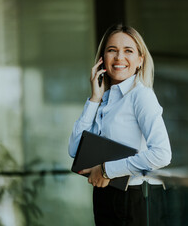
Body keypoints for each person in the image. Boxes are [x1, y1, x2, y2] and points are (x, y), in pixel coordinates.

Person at [68, 24, 172, 226]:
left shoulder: (141, 96)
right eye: (112, 50)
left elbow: (162, 154)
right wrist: (94, 99)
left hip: (132, 198)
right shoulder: (104, 99)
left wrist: (107, 170)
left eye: (128, 51)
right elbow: (74, 150)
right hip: (105, 196)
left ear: (140, 60)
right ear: (102, 59)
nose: (119, 58)